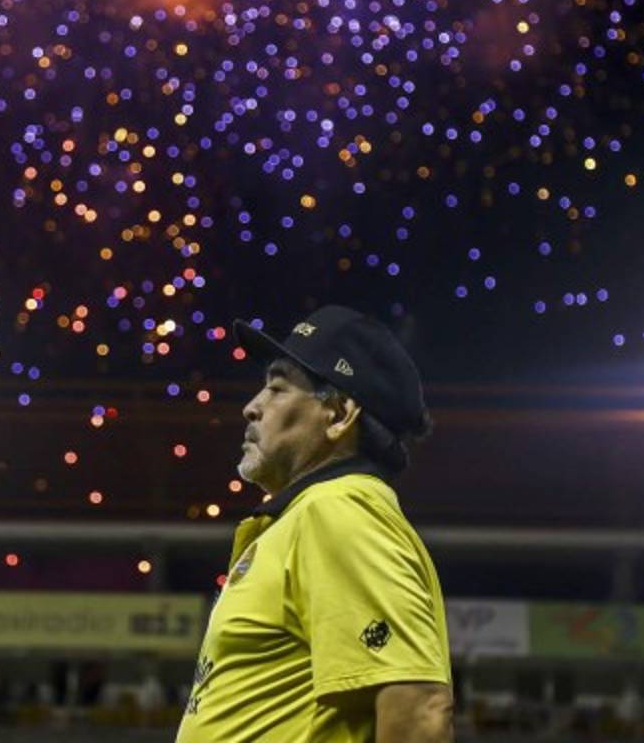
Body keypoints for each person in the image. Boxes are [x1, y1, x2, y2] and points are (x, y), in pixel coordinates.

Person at [175, 305, 454, 743]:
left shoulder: (340, 511)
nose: (252, 407)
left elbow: (418, 706)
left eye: (278, 388)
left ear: (340, 414)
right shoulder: (310, 516)